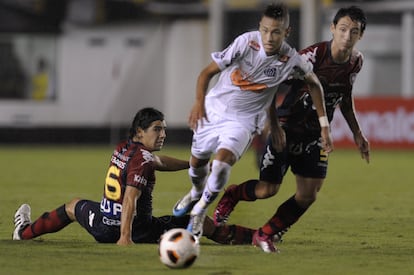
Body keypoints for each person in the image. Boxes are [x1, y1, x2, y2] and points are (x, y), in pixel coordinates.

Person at [213, 6, 370, 253]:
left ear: (360, 35)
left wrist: (357, 133)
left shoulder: (356, 62)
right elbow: (268, 86)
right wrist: (273, 125)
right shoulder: (311, 57)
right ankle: (232, 195)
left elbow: (345, 97)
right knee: (267, 190)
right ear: (332, 29)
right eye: (342, 29)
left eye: (354, 32)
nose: (347, 36)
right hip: (287, 128)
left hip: (314, 135)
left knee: (308, 194)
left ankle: (266, 233)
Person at [172, 2, 333, 240]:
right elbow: (206, 73)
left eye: (276, 31)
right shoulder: (245, 43)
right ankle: (195, 192)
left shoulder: (291, 59)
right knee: (197, 165)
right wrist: (198, 103)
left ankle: (199, 210)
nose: (269, 37)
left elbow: (314, 84)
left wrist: (324, 125)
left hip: (243, 121)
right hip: (214, 110)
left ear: (286, 32)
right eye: (266, 30)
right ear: (260, 27)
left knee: (222, 163)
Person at [12, 107, 253, 245]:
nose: (163, 134)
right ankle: (257, 236)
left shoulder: (124, 148)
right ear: (140, 132)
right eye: (157, 129)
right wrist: (125, 237)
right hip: (137, 230)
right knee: (203, 222)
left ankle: (23, 233)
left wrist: (192, 165)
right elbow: (130, 198)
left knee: (73, 207)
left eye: (164, 129)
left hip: (102, 223)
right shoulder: (143, 160)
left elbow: (157, 161)